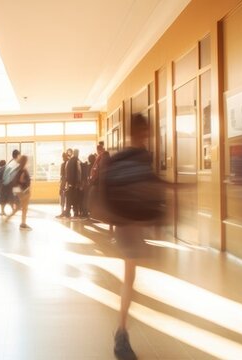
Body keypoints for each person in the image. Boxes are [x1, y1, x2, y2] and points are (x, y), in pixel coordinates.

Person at [105, 114, 163, 360]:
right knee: (130, 278)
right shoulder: (140, 157)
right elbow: (149, 185)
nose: (146, 135)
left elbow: (149, 185)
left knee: (131, 276)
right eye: (145, 130)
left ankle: (122, 327)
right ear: (140, 131)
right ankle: (121, 332)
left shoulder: (125, 157)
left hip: (130, 223)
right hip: (129, 224)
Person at [6, 155, 32, 230]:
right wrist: (25, 190)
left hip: (19, 190)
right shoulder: (23, 170)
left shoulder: (19, 168)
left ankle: (9, 218)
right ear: (25, 161)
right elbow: (21, 180)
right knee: (24, 208)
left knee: (20, 207)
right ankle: (23, 224)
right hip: (23, 191)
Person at [66, 149, 84, 220]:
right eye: (78, 153)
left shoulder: (69, 161)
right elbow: (79, 172)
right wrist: (78, 182)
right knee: (75, 199)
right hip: (75, 183)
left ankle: (67, 212)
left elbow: (67, 172)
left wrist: (68, 182)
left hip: (70, 183)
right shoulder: (77, 161)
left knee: (69, 198)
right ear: (77, 153)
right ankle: (75, 212)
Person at [57, 151, 70, 218]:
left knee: (62, 198)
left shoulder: (64, 164)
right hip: (67, 183)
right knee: (67, 198)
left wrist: (62, 185)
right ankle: (66, 212)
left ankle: (63, 212)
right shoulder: (69, 163)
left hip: (64, 182)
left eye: (63, 157)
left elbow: (62, 175)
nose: (63, 158)